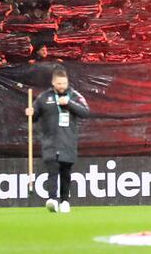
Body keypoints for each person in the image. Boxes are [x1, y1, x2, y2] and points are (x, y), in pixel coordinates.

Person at [26, 67, 90, 214]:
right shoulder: (44, 97)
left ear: (67, 82)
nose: (62, 86)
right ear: (53, 83)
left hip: (68, 142)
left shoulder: (74, 95)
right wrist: (30, 113)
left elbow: (85, 112)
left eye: (64, 83)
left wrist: (68, 103)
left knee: (65, 172)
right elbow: (34, 116)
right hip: (50, 143)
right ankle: (52, 199)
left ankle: (65, 200)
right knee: (52, 171)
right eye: (59, 83)